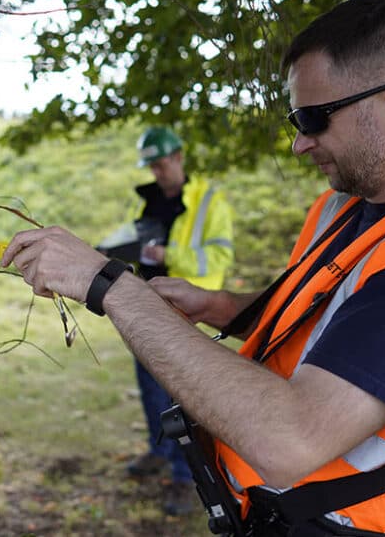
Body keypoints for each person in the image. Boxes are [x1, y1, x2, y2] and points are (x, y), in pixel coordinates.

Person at [1, 0, 385, 536]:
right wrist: (223, 308)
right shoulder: (357, 207)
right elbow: (332, 328)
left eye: (314, 119)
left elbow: (290, 440)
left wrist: (111, 286)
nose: (301, 144)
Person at [111, 126, 234, 516]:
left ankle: (186, 478)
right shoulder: (145, 201)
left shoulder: (209, 201)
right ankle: (158, 452)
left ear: (179, 157)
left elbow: (217, 259)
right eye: (151, 166)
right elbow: (133, 244)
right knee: (150, 391)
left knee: (183, 398)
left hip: (188, 312)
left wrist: (170, 252)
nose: (157, 173)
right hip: (147, 307)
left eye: (161, 164)